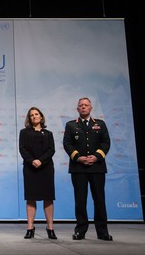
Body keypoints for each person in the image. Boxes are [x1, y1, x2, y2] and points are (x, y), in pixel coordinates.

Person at [63, 97, 112, 241]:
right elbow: (67, 144)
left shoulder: (100, 124)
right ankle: (80, 230)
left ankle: (102, 232)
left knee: (99, 200)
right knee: (80, 201)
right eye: (81, 105)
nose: (83, 107)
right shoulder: (71, 125)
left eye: (86, 105)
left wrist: (96, 156)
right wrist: (78, 157)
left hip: (97, 167)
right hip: (78, 168)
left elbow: (106, 142)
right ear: (77, 109)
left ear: (91, 108)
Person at [19, 107, 57, 240]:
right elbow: (22, 149)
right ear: (29, 119)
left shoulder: (48, 133)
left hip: (46, 168)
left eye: (36, 114)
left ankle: (50, 228)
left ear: (41, 117)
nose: (34, 116)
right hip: (30, 168)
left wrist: (41, 160)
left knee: (48, 197)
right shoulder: (24, 132)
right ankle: (30, 228)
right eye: (31, 115)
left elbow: (51, 150)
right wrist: (32, 161)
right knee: (31, 197)